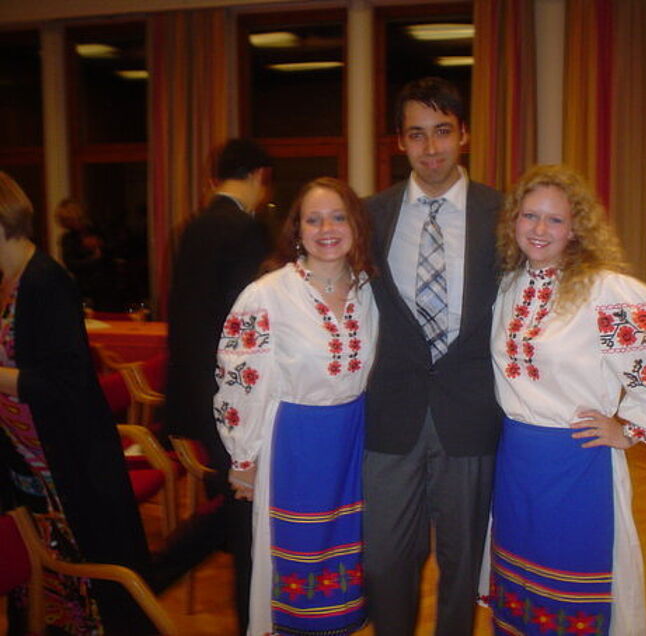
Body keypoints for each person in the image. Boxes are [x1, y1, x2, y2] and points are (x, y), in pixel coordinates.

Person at [485, 165, 646, 635]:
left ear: (576, 229)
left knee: (576, 590)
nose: (540, 229)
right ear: (514, 221)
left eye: (555, 220)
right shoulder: (507, 285)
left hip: (576, 463)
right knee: (522, 588)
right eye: (530, 216)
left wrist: (630, 428)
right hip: (515, 461)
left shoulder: (606, 292)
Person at [363, 77, 503, 635]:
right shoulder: (370, 215)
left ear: (464, 134)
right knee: (383, 560)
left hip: (470, 414)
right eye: (417, 135)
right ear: (400, 142)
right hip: (390, 414)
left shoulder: (505, 214)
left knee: (462, 564)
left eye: (443, 131)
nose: (431, 148)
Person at [214, 177, 377, 636]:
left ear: (356, 225)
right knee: (295, 565)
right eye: (314, 218)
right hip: (295, 445)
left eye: (338, 216)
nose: (327, 228)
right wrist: (242, 456)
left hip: (354, 445)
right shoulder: (266, 295)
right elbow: (237, 379)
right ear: (297, 229)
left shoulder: (369, 291)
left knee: (349, 567)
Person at [0, 172, 152, 633]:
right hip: (34, 465)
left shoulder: (46, 281)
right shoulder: (10, 281)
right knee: (45, 588)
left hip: (69, 465)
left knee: (92, 597)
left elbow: (63, 387)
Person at [163, 138, 273, 630]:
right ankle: (249, 616)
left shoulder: (193, 227)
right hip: (229, 398)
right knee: (244, 512)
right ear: (258, 175)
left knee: (235, 507)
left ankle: (149, 574)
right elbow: (246, 326)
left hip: (193, 390)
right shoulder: (244, 231)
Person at [54, 197, 117, 310]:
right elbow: (71, 264)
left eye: (69, 219)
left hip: (109, 286)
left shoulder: (99, 230)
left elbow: (115, 251)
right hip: (85, 287)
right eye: (64, 220)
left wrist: (100, 245)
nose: (68, 223)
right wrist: (94, 259)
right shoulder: (68, 239)